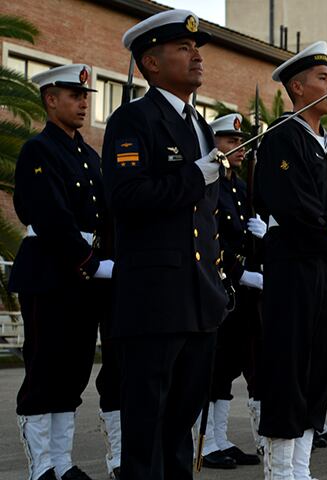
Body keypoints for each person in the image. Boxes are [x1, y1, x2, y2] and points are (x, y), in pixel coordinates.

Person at [103, 10, 230, 479]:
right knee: (148, 426)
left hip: (199, 297)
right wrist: (194, 176)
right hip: (155, 297)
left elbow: (204, 220)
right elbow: (126, 195)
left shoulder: (199, 123)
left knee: (180, 425)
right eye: (183, 48)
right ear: (151, 63)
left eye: (196, 49)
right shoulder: (133, 120)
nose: (196, 56)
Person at [253, 40, 327, 479]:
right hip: (296, 262)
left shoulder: (324, 144)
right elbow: (295, 207)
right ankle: (281, 469)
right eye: (323, 78)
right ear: (297, 88)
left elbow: (325, 206)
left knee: (318, 367)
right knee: (290, 365)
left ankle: (299, 466)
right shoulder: (284, 137)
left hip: (323, 265)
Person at [11, 63, 109, 480]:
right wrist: (89, 259)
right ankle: (41, 468)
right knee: (44, 369)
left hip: (81, 276)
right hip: (50, 271)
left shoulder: (87, 155)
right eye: (75, 96)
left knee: (72, 371)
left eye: (86, 96)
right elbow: (50, 216)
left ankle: (62, 463)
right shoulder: (39, 149)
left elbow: (103, 214)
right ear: (51, 100)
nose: (84, 103)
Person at [192, 113, 264, 468]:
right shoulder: (210, 183)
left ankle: (220, 438)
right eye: (230, 141)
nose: (238, 147)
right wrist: (237, 272)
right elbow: (208, 235)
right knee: (212, 366)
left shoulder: (240, 186)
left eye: (240, 142)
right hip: (219, 282)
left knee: (229, 367)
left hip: (240, 288)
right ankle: (204, 445)